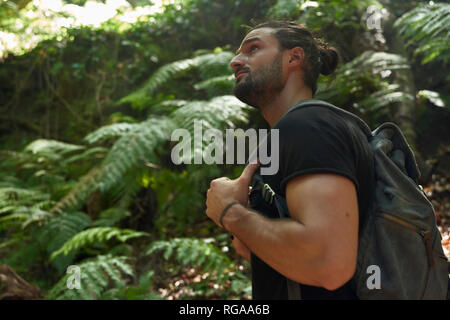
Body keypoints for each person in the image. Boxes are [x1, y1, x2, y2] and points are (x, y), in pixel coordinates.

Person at [205, 21, 374, 299]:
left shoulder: (309, 125)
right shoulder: (284, 137)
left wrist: (230, 213)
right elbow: (257, 254)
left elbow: (328, 266)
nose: (235, 61)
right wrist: (243, 213)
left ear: (294, 57)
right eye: (238, 54)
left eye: (253, 48)